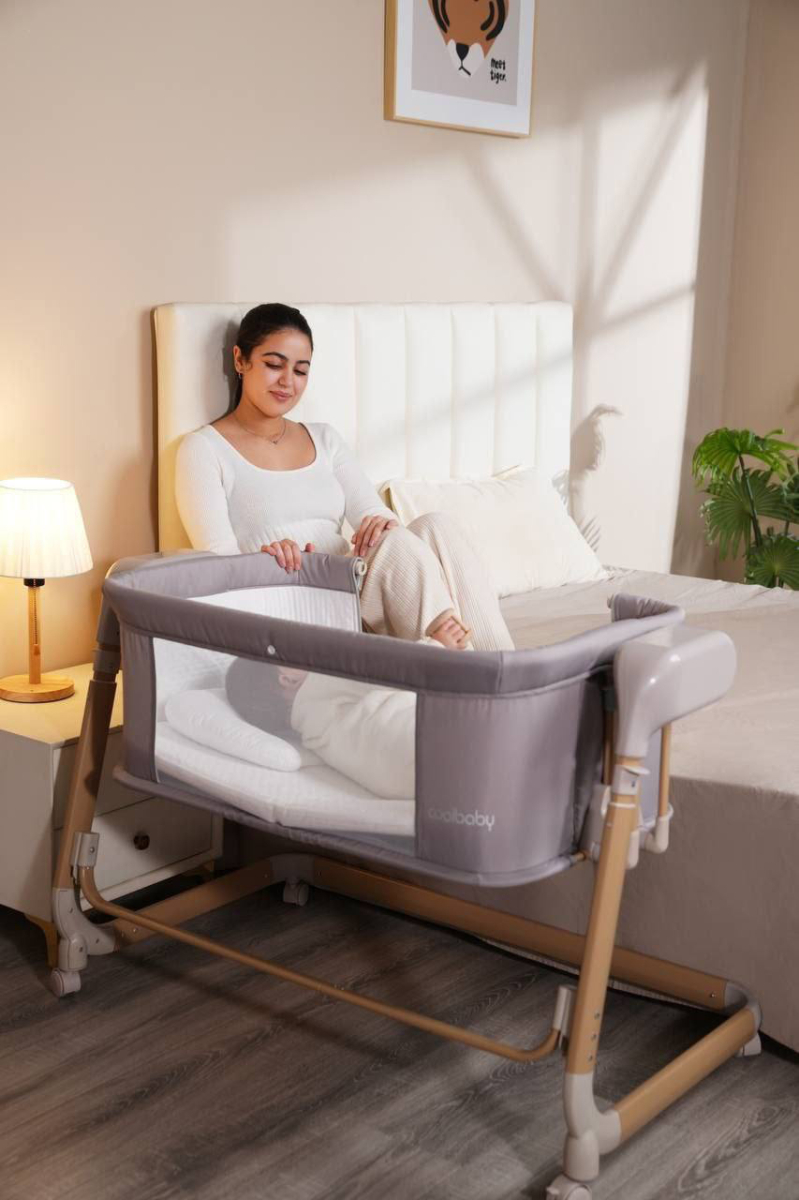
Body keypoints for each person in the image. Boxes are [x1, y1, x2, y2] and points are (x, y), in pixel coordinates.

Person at [175, 303, 513, 652]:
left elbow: (376, 517)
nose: (288, 382)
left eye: (300, 370)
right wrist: (262, 562)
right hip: (294, 605)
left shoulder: (324, 438)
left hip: (350, 588)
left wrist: (381, 527)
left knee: (436, 527)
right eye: (274, 365)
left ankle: (502, 664)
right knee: (395, 544)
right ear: (240, 360)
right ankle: (462, 667)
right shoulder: (203, 449)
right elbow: (219, 570)